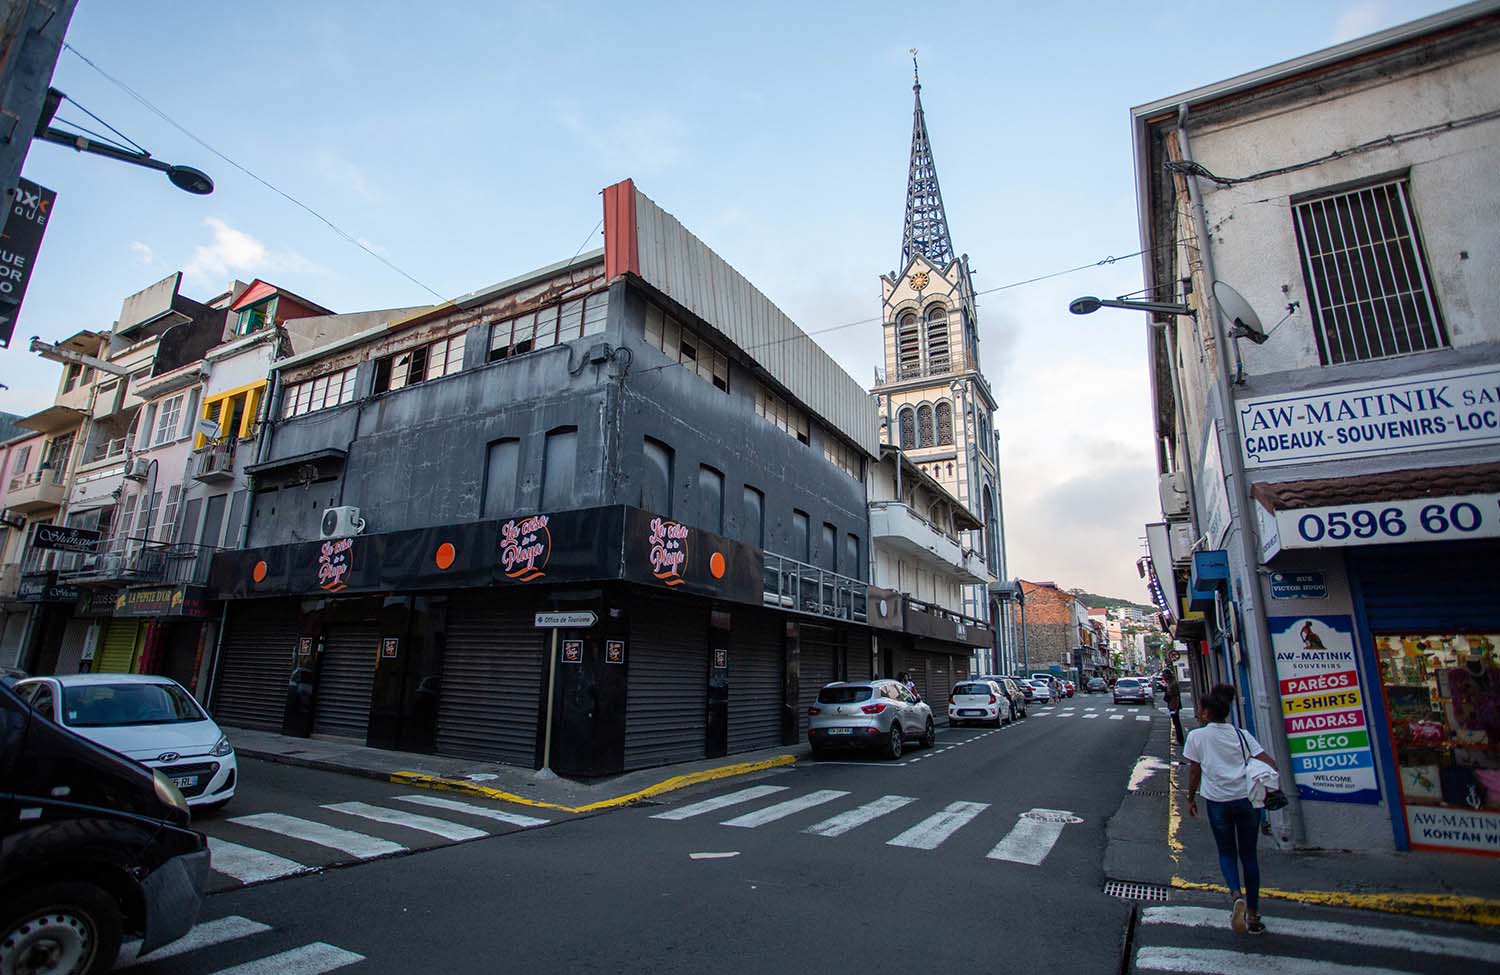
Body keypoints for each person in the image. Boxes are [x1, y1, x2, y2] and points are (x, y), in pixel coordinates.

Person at [1183, 684, 1277, 935]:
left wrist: (1190, 798)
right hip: (1246, 800)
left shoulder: (1197, 737)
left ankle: (1236, 895)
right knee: (1248, 856)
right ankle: (1254, 915)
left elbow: (1194, 771)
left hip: (1217, 801)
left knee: (1226, 852)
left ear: (1206, 714)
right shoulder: (1242, 735)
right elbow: (1269, 762)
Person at [1163, 669, 1185, 745]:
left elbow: (1174, 695)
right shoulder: (1170, 682)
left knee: (1176, 722)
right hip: (1172, 704)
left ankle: (1180, 740)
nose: (1163, 677)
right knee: (1175, 722)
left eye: (1164, 675)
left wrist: (1175, 707)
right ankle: (1179, 739)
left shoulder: (1172, 683)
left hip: (1174, 705)